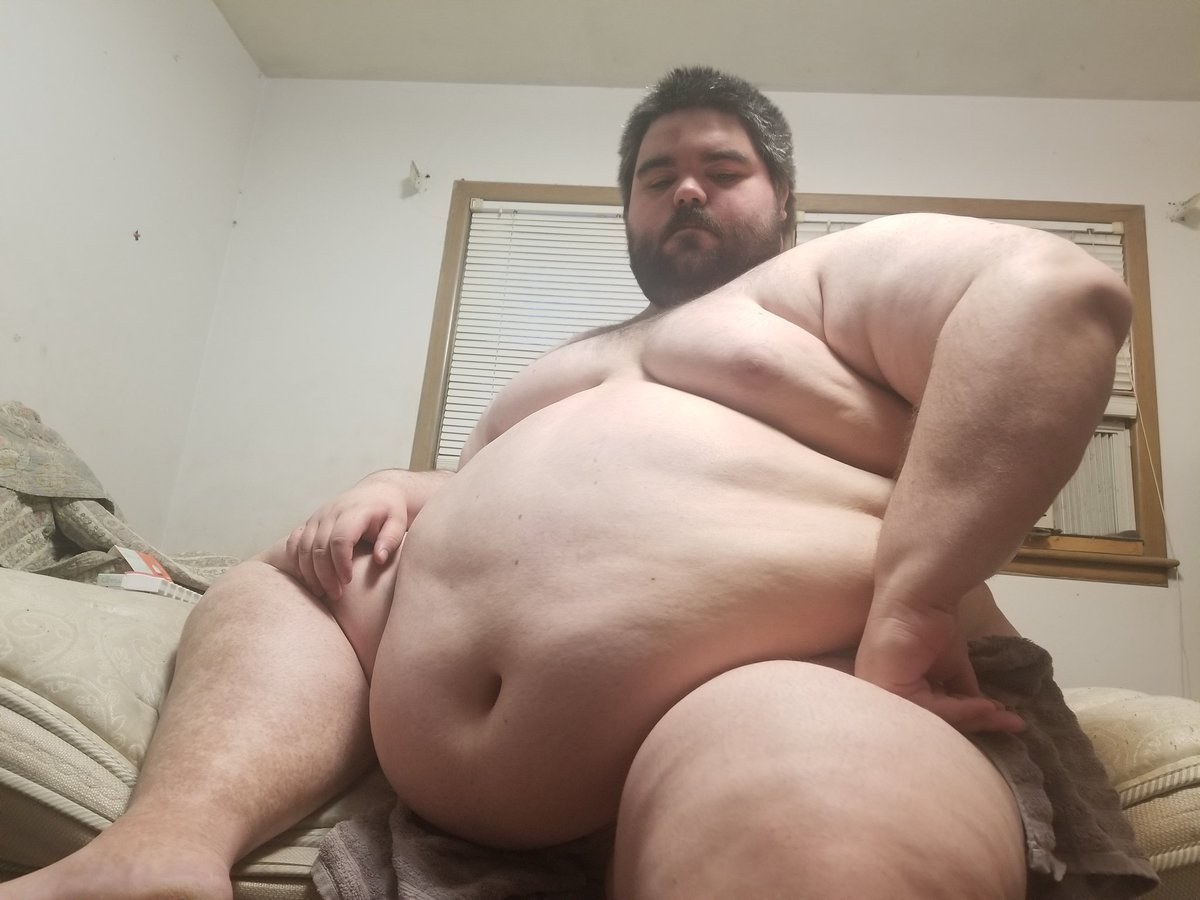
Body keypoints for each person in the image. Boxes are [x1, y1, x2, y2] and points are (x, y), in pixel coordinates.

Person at [1, 67, 1157, 899]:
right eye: (658, 176)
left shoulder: (825, 289)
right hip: (453, 768)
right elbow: (522, 515)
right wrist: (402, 485)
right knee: (280, 581)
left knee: (803, 798)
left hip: (777, 685)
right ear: (629, 210)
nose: (687, 190)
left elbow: (1049, 301)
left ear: (786, 198)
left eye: (722, 169)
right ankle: (163, 850)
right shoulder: (566, 367)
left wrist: (916, 597)